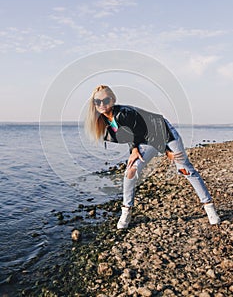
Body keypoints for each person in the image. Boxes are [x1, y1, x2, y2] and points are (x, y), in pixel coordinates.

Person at [85, 85, 220, 229]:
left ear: (113, 100)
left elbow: (146, 132)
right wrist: (134, 149)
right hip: (145, 140)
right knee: (130, 172)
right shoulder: (103, 122)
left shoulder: (124, 113)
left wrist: (167, 151)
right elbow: (131, 135)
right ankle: (126, 211)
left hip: (163, 131)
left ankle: (209, 206)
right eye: (97, 101)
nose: (102, 104)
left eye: (106, 100)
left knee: (184, 168)